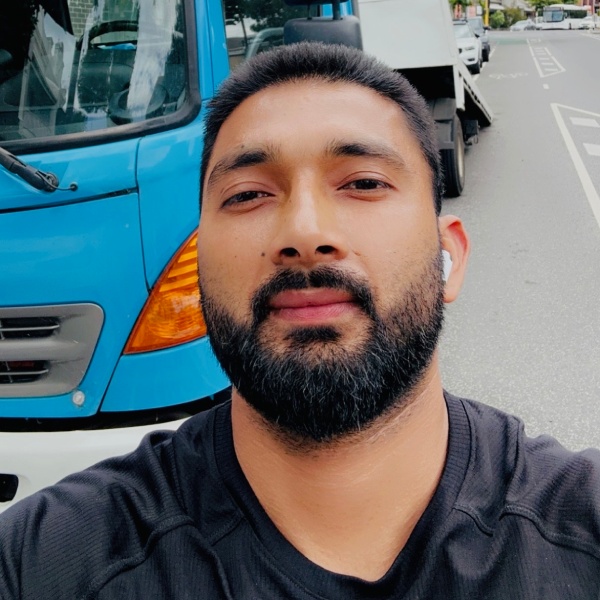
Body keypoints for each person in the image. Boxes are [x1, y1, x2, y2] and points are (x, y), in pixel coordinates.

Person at [1, 41, 600, 599]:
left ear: (451, 257)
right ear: (198, 267)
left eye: (364, 182)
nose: (304, 233)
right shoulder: (42, 562)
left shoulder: (580, 527)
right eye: (248, 194)